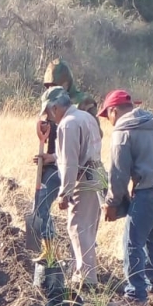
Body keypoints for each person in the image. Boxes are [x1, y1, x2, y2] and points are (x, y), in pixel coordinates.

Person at [100, 90, 153, 304]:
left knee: (132, 241)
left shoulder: (122, 131)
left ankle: (135, 294)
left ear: (113, 111)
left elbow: (119, 174)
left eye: (107, 116)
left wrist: (111, 203)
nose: (108, 121)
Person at [30, 58, 95, 295]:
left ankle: (83, 270)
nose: (48, 88)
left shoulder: (81, 104)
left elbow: (87, 139)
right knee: (39, 208)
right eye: (46, 85)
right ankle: (49, 253)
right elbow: (45, 132)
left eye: (53, 84)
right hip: (54, 161)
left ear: (66, 82)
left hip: (75, 167)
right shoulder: (52, 103)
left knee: (78, 223)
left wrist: (65, 186)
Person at [41, 86, 106, 292]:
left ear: (55, 107)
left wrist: (65, 192)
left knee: (77, 227)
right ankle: (84, 274)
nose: (50, 117)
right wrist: (51, 157)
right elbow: (78, 151)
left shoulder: (68, 125)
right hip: (98, 176)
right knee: (88, 228)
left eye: (49, 112)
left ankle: (86, 279)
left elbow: (70, 163)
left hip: (84, 179)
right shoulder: (85, 117)